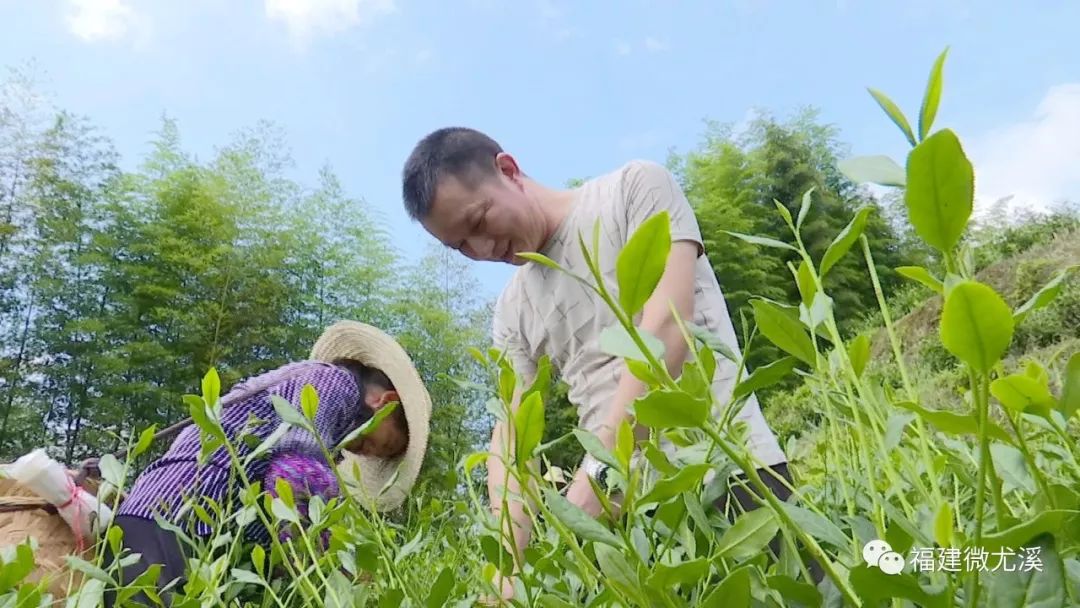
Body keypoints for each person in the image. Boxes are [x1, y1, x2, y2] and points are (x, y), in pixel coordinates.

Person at [401, 127, 794, 600]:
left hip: (731, 476)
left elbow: (667, 328)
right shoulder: (512, 307)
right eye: (460, 245)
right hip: (630, 533)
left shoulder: (633, 190)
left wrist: (601, 474)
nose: (481, 250)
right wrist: (508, 564)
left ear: (508, 170)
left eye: (480, 221)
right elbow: (512, 433)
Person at [102, 321, 432, 606]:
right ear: (384, 402)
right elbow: (294, 473)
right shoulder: (335, 383)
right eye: (383, 444)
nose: (366, 454)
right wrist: (341, 580)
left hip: (171, 525)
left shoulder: (319, 404)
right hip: (177, 521)